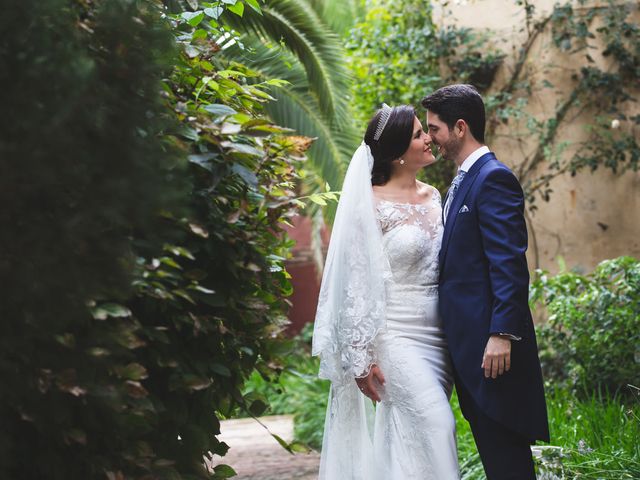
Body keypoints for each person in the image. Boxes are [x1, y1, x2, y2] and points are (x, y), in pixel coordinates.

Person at [312, 104, 459, 479]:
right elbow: (356, 281)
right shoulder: (370, 204)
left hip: (440, 337)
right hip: (395, 336)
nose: (428, 139)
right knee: (437, 424)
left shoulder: (435, 196)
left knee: (410, 439)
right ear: (395, 153)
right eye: (416, 135)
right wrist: (360, 359)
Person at [422, 84, 550, 479]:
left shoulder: (493, 179)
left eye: (434, 129)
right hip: (470, 350)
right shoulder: (461, 182)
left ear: (460, 128)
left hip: (492, 351)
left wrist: (502, 334)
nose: (430, 139)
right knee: (497, 460)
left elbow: (509, 263)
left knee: (508, 461)